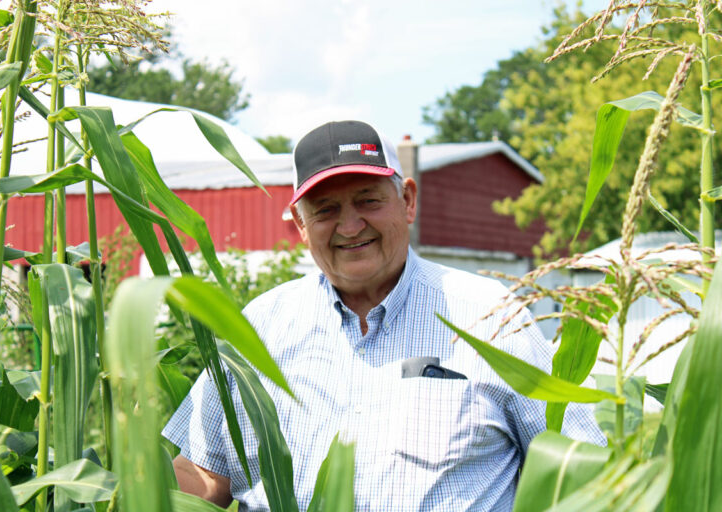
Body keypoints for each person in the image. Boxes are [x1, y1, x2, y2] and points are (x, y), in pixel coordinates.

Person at [162, 120, 605, 511]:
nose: (350, 226)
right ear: (300, 225)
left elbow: (578, 472)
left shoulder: (489, 316)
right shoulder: (261, 326)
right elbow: (203, 476)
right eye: (326, 210)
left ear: (407, 200)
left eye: (368, 201)